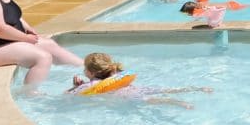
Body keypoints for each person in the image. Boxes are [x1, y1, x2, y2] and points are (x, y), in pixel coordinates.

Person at [68, 52, 212, 108]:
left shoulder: (93, 85)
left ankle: (178, 103)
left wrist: (74, 87)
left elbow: (69, 96)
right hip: (134, 88)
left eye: (85, 68)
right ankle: (196, 89)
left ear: (90, 72)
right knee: (162, 90)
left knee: (152, 100)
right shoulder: (115, 75)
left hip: (126, 96)